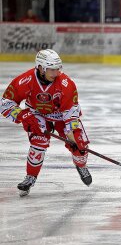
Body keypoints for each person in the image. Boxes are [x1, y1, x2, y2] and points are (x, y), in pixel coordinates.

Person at [0, 49, 92, 197]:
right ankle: (30, 177)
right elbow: (5, 103)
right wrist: (22, 115)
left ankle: (81, 165)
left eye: (58, 69)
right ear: (41, 67)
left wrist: (73, 135)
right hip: (37, 113)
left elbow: (70, 113)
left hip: (62, 116)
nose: (56, 73)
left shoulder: (66, 84)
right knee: (38, 141)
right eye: (52, 69)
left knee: (79, 145)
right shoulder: (25, 80)